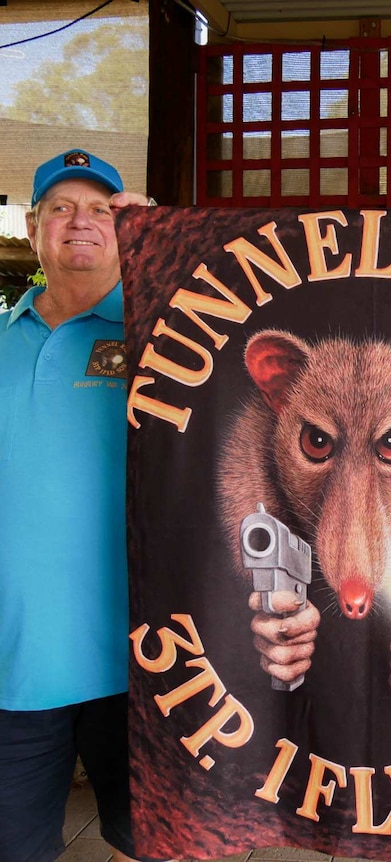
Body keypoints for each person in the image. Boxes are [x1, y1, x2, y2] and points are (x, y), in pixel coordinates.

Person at [0, 149, 161, 862]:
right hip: (16, 662)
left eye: (103, 209)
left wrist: (172, 260)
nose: (81, 223)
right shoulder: (2, 340)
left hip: (147, 660)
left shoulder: (171, 334)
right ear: (34, 227)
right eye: (61, 208)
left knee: (154, 844)